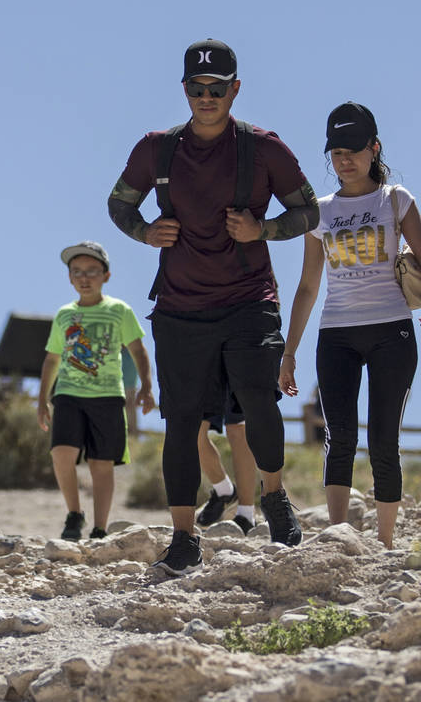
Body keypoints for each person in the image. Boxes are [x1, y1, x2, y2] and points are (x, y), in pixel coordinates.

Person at [107, 38, 319, 575]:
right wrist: (143, 230)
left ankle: (274, 498)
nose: (207, 97)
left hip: (250, 300)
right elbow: (118, 202)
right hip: (180, 309)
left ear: (235, 90)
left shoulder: (265, 149)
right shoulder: (155, 149)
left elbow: (309, 211)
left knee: (257, 402)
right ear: (185, 90)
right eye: (197, 89)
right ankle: (183, 538)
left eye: (217, 89)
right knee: (182, 423)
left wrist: (264, 228)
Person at [279, 102, 421, 549]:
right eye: (335, 151)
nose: (344, 159)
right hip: (337, 334)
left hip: (393, 329)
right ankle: (339, 538)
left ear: (374, 148)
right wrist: (288, 352)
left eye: (353, 149)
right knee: (339, 436)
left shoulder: (396, 199)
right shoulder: (320, 211)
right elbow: (308, 286)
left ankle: (385, 542)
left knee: (385, 439)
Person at [38, 241, 155, 540]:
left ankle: (100, 528)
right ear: (69, 278)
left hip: (108, 397)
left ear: (106, 275)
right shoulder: (64, 315)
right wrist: (42, 402)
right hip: (68, 394)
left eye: (92, 271)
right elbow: (52, 359)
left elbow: (138, 350)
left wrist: (146, 386)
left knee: (101, 464)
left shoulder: (119, 311)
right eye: (76, 271)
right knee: (61, 454)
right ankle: (74, 515)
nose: (84, 277)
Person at [195, 392, 258, 534]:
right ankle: (224, 490)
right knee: (194, 427)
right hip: (202, 370)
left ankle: (246, 516)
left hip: (237, 370)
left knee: (238, 427)